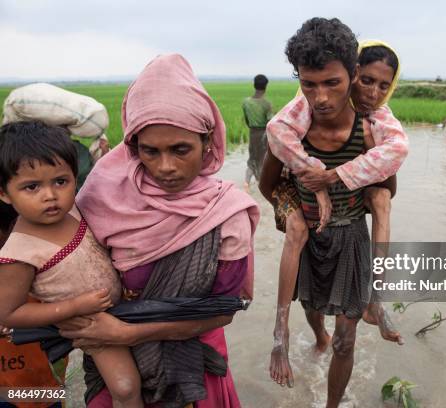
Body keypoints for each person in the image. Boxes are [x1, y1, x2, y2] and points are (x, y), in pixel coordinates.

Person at [60, 54, 259, 407]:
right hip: (119, 363)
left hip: (194, 364)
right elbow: (58, 264)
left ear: (207, 140)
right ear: (133, 146)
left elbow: (223, 311)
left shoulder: (226, 214)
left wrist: (126, 331)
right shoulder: (101, 195)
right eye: (150, 151)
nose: (165, 167)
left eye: (181, 149)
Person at [261, 17, 399, 407]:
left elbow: (388, 189)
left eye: (331, 83)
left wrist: (347, 177)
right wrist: (292, 213)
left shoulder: (370, 131)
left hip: (352, 239)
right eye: (309, 84)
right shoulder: (291, 135)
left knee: (346, 340)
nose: (320, 97)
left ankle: (333, 404)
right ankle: (315, 337)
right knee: (313, 310)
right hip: (309, 239)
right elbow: (268, 186)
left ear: (353, 75)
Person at [0, 121, 143, 407]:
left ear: (75, 178)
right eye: (31, 187)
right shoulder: (19, 252)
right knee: (126, 387)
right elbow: (9, 313)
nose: (50, 195)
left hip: (130, 305)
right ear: (4, 193)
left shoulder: (76, 208)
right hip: (90, 323)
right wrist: (73, 308)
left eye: (60, 181)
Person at [243, 74, 273, 189]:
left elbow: (247, 121)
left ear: (254, 85)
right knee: (262, 160)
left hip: (252, 133)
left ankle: (246, 183)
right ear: (265, 86)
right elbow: (270, 123)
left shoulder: (246, 102)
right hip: (263, 135)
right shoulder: (266, 104)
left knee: (252, 158)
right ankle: (261, 183)